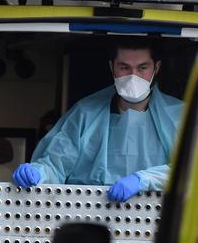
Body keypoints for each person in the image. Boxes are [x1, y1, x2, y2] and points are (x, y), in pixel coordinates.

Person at [12, 38, 183, 202]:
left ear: (156, 67)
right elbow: (56, 164)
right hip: (86, 215)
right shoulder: (85, 113)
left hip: (155, 222)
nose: (133, 76)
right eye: (124, 67)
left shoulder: (180, 116)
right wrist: (37, 173)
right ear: (112, 67)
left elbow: (193, 170)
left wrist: (143, 180)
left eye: (142, 68)